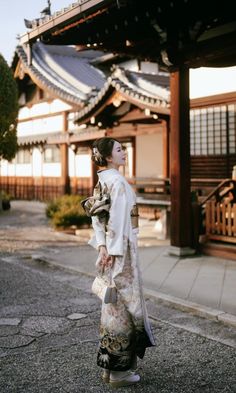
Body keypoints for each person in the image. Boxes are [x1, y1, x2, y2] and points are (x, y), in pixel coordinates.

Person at [88, 137, 155, 388]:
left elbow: (97, 216)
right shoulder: (116, 180)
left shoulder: (103, 180)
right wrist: (115, 251)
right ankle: (120, 372)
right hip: (123, 250)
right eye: (119, 149)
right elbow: (116, 220)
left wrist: (102, 246)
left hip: (110, 248)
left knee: (111, 305)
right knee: (126, 307)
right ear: (108, 157)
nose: (124, 152)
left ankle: (110, 367)